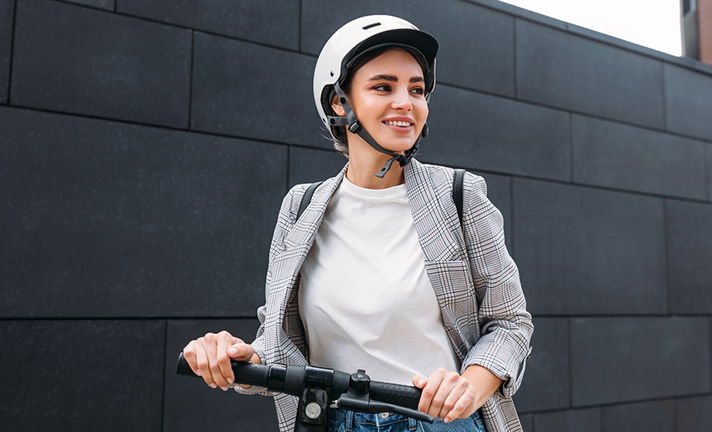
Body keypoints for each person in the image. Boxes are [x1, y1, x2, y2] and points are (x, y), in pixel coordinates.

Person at [182, 15, 533, 432]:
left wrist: (469, 386)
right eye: (383, 87)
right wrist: (233, 355)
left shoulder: (459, 196)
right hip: (327, 421)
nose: (406, 102)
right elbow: (279, 343)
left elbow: (510, 324)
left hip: (435, 421)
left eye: (417, 89)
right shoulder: (300, 207)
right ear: (339, 102)